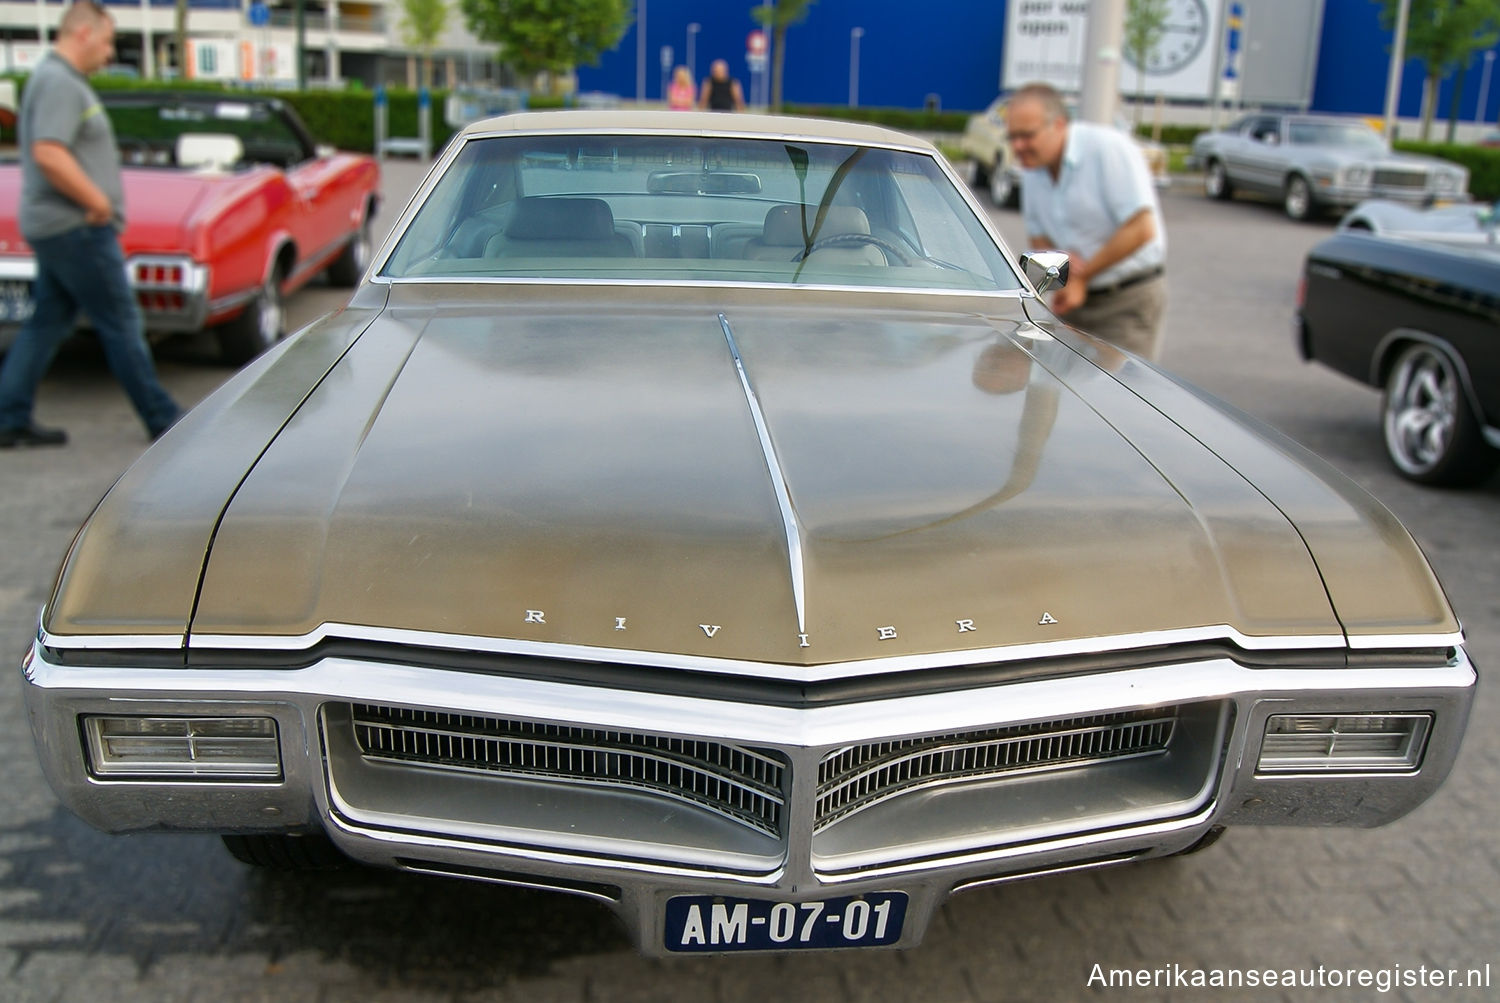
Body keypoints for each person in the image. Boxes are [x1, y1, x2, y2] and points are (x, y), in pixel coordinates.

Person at [0, 0, 181, 449]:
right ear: (82, 33)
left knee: (48, 320)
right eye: (107, 40)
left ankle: (9, 414)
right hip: (76, 226)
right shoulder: (59, 83)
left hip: (57, 225)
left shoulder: (53, 79)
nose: (110, 52)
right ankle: (163, 419)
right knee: (120, 320)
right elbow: (49, 151)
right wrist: (97, 200)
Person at [1007, 82, 1167, 361]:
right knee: (1059, 393)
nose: (1018, 146)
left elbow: (1141, 228)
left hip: (1124, 302)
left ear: (1057, 124)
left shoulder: (1107, 149)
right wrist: (1060, 264)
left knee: (1119, 396)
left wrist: (1085, 275)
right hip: (1073, 301)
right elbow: (1039, 235)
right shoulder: (1033, 169)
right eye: (1013, 137)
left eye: (1026, 135)